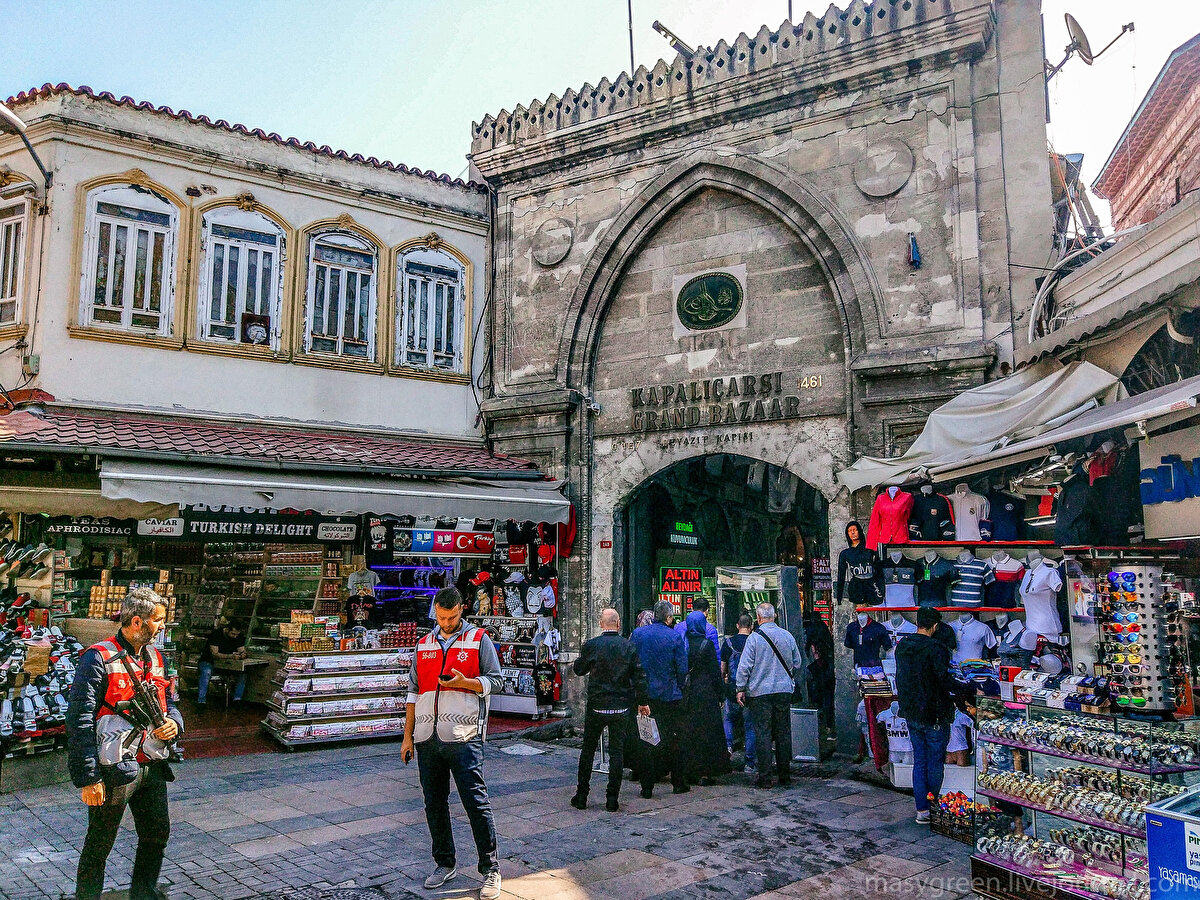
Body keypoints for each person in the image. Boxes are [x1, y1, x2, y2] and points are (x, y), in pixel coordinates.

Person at [67, 587, 184, 900]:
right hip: (114, 770)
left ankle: (143, 893)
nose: (162, 626)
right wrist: (88, 778)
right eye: (158, 621)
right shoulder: (98, 658)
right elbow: (78, 721)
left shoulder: (156, 657)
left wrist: (175, 722)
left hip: (152, 767)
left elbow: (170, 701)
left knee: (157, 833)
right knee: (99, 845)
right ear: (136, 622)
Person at [401, 587, 504, 899]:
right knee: (434, 804)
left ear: (463, 609)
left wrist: (466, 683)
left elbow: (496, 680)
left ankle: (490, 869)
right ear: (435, 611)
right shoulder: (423, 644)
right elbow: (413, 692)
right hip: (427, 738)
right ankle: (444, 863)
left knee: (476, 802)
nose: (446, 623)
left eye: (453, 617)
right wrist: (407, 737)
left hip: (464, 736)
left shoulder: (478, 640)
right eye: (442, 617)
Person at [570, 608, 649, 812]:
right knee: (617, 752)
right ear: (618, 623)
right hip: (621, 706)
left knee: (588, 750)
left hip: (597, 705)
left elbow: (579, 669)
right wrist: (642, 701)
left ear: (601, 623)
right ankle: (612, 798)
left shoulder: (593, 645)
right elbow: (639, 676)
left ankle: (581, 795)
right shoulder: (628, 646)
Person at [895, 605, 958, 824]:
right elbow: (943, 680)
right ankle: (931, 805)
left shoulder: (903, 646)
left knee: (920, 761)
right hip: (934, 713)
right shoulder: (935, 648)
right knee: (934, 763)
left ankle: (922, 809)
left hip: (912, 712)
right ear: (935, 626)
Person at [736, 602, 802, 789]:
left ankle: (765, 777)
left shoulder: (754, 639)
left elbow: (744, 667)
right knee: (782, 733)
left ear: (758, 618)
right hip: (783, 691)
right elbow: (797, 662)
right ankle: (784, 776)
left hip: (760, 693)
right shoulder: (787, 636)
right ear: (774, 616)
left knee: (763, 734)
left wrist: (740, 688)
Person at [629, 599, 690, 799]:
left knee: (647, 739)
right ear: (669, 617)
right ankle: (678, 782)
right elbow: (682, 668)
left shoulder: (638, 635)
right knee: (674, 738)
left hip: (645, 696)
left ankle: (647, 785)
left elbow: (631, 663)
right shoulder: (674, 637)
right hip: (669, 695)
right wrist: (681, 686)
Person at [682, 610, 731, 784]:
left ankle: (688, 770)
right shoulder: (707, 644)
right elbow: (714, 672)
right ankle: (705, 771)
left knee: (689, 733)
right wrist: (721, 694)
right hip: (705, 694)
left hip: (687, 694)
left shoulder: (682, 642)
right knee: (706, 734)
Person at [720, 615, 757, 773]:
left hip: (732, 689)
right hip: (750, 690)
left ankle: (728, 749)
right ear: (751, 626)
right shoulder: (754, 641)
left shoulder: (728, 643)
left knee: (728, 719)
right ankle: (749, 762)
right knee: (750, 726)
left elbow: (722, 669)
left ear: (737, 625)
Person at [196, 619, 246, 708]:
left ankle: (237, 699)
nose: (234, 637)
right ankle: (201, 701)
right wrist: (231, 656)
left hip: (227, 664)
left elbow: (242, 650)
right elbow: (215, 654)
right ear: (227, 630)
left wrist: (242, 655)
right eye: (233, 634)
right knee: (206, 672)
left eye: (236, 634)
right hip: (209, 661)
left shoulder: (238, 637)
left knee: (243, 674)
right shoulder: (216, 635)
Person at [804, 608, 836, 738]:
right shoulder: (823, 629)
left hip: (816, 670)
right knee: (827, 696)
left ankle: (816, 726)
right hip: (826, 669)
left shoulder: (810, 632)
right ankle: (828, 725)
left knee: (816, 696)